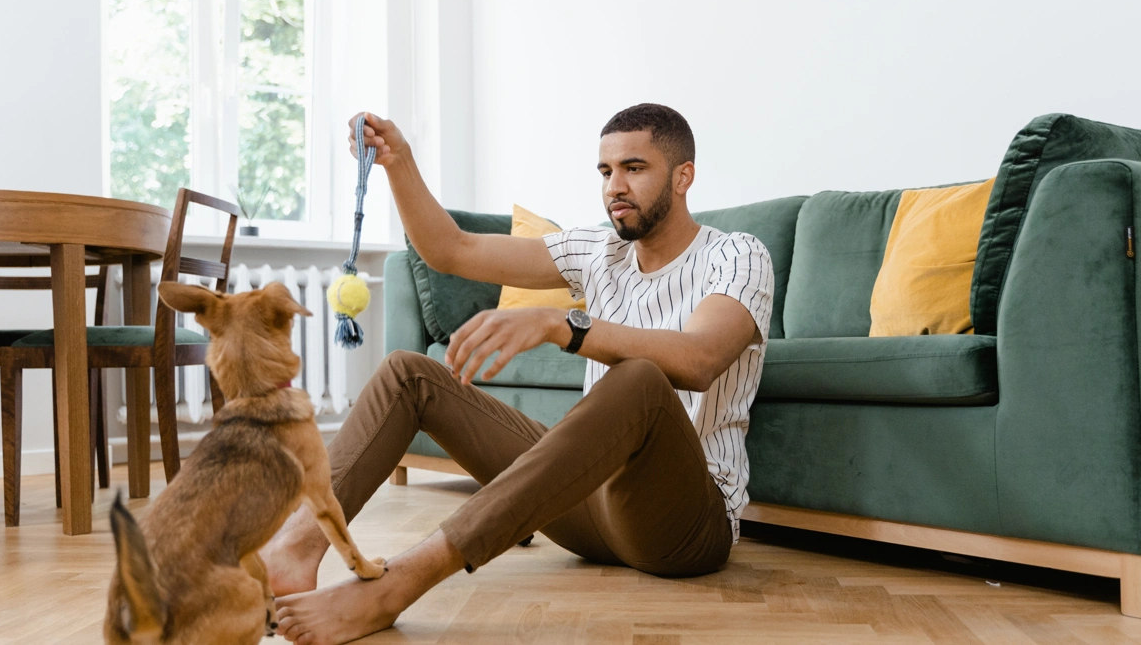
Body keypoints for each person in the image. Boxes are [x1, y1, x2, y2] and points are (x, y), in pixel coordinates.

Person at [264, 103, 774, 645]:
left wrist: (563, 324)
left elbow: (699, 361)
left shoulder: (738, 255)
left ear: (682, 176)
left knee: (640, 380)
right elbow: (449, 249)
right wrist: (399, 162)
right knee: (409, 374)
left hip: (683, 528)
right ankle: (296, 547)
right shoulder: (597, 251)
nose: (614, 187)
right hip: (589, 515)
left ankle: (400, 582)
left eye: (634, 168)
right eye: (605, 172)